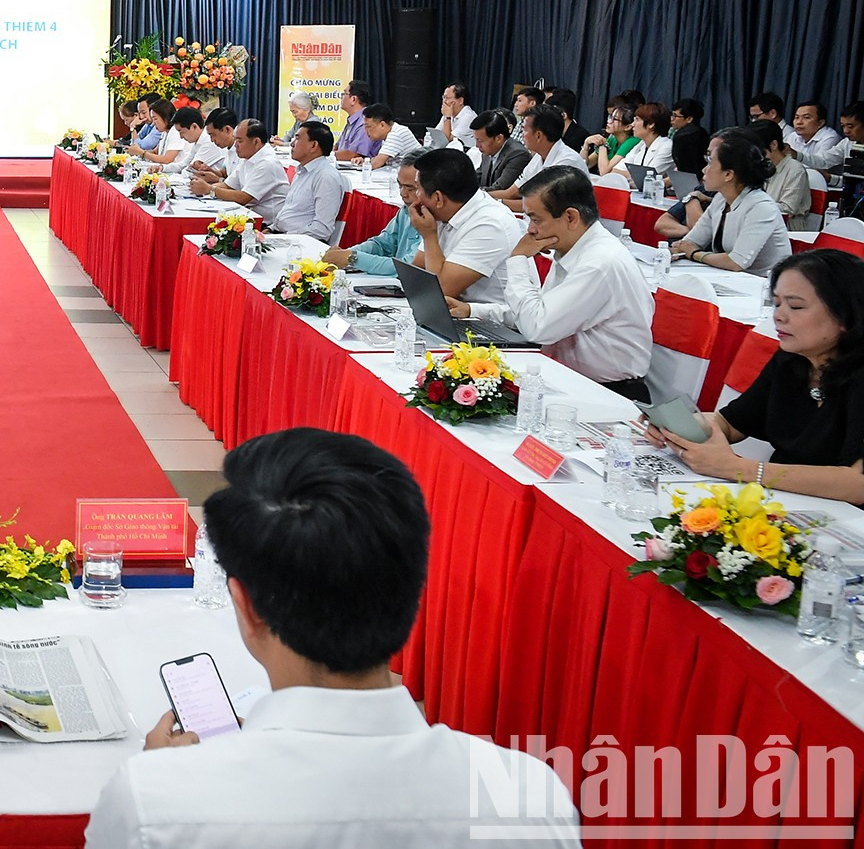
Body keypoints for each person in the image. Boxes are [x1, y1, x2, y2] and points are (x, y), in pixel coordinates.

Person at [84, 427, 576, 848]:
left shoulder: (156, 800)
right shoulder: (528, 795)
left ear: (247, 605)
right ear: (411, 587)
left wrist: (166, 775)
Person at [647, 249, 864, 502]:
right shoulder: (793, 359)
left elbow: (857, 483)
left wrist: (737, 468)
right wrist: (677, 426)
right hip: (788, 502)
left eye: (796, 306)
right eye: (777, 303)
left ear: (846, 315)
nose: (779, 316)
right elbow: (729, 424)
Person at [448, 167, 654, 401]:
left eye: (536, 219)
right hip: (573, 381)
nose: (531, 230)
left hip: (610, 393)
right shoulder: (572, 247)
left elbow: (538, 327)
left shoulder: (600, 263)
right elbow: (539, 310)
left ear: (570, 217)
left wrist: (517, 259)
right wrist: (472, 310)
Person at [409, 147, 524, 305]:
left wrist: (429, 236)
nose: (416, 196)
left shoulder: (490, 224)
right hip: (458, 312)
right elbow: (417, 271)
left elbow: (439, 290)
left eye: (418, 189)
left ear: (438, 199)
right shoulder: (444, 211)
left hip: (496, 322)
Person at [672, 131, 792, 276]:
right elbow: (690, 242)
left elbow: (737, 262)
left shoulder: (761, 206)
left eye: (710, 163)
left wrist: (695, 254)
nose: (704, 169)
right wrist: (677, 250)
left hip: (762, 285)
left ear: (728, 174)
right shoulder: (720, 199)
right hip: (728, 278)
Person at [323, 162, 425, 274]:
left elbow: (407, 267)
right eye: (400, 186)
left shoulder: (436, 220)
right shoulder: (405, 211)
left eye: (410, 189)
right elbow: (381, 244)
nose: (402, 193)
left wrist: (353, 257)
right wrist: (346, 253)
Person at [200, 119, 289, 221]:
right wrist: (200, 188)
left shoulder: (267, 163)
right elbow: (228, 185)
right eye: (235, 140)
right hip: (248, 215)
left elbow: (244, 197)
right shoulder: (247, 157)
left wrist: (210, 189)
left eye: (240, 141)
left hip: (267, 223)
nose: (236, 145)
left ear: (256, 142)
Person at [493, 104, 580, 204]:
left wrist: (497, 202)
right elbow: (512, 193)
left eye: (524, 130)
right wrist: (481, 196)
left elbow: (542, 206)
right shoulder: (539, 156)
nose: (522, 135)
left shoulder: (567, 162)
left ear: (538, 136)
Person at [272, 121, 342, 241]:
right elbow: (290, 211)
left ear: (313, 145)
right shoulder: (302, 171)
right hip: (280, 234)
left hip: (298, 243)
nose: (292, 144)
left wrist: (282, 238)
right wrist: (271, 229)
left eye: (297, 139)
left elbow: (321, 230)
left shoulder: (326, 177)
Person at [747, 119, 814, 229]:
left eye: (757, 149)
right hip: (759, 221)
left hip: (786, 226)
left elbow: (787, 209)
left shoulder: (795, 170)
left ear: (773, 145)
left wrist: (750, 204)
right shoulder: (758, 166)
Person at [611, 101, 676, 186]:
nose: (632, 124)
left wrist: (630, 176)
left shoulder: (667, 147)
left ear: (651, 124)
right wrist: (634, 176)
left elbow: (647, 178)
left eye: (637, 120)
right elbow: (615, 171)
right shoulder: (641, 145)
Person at [472, 109, 527, 193]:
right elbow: (478, 176)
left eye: (480, 140)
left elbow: (500, 188)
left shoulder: (518, 154)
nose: (477, 145)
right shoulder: (488, 150)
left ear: (499, 138)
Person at [131, 103, 202, 169]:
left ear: (165, 117)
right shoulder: (165, 132)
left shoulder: (176, 131)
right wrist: (135, 152)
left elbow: (167, 160)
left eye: (155, 119)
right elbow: (156, 152)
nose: (153, 123)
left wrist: (142, 153)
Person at [788, 100, 848, 171]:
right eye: (797, 117)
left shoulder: (830, 138)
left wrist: (797, 155)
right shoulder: (793, 136)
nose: (799, 122)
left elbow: (820, 166)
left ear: (820, 123)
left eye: (806, 117)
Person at [580, 99, 638, 173]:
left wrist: (602, 146)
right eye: (610, 117)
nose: (609, 121)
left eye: (615, 119)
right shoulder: (612, 139)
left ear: (628, 127)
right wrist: (586, 144)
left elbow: (604, 172)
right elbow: (586, 165)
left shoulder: (632, 141)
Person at [359, 103, 420, 170]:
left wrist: (364, 164)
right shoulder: (390, 133)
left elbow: (375, 164)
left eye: (368, 126)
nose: (366, 131)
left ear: (382, 125)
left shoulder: (396, 134)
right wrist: (364, 161)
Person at [331, 80, 379, 161]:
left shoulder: (365, 120)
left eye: (344, 94)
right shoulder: (352, 120)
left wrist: (325, 156)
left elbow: (354, 154)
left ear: (353, 99)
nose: (341, 97)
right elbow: (337, 146)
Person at [668, 98, 709, 176]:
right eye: (672, 114)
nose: (671, 119)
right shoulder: (701, 131)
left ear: (689, 119)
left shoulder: (685, 137)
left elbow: (686, 170)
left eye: (675, 116)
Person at [434, 83, 476, 150]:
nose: (444, 102)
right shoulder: (449, 114)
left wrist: (447, 117)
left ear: (460, 101)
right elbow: (435, 135)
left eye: (447, 98)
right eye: (443, 97)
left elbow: (447, 140)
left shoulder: (469, 117)